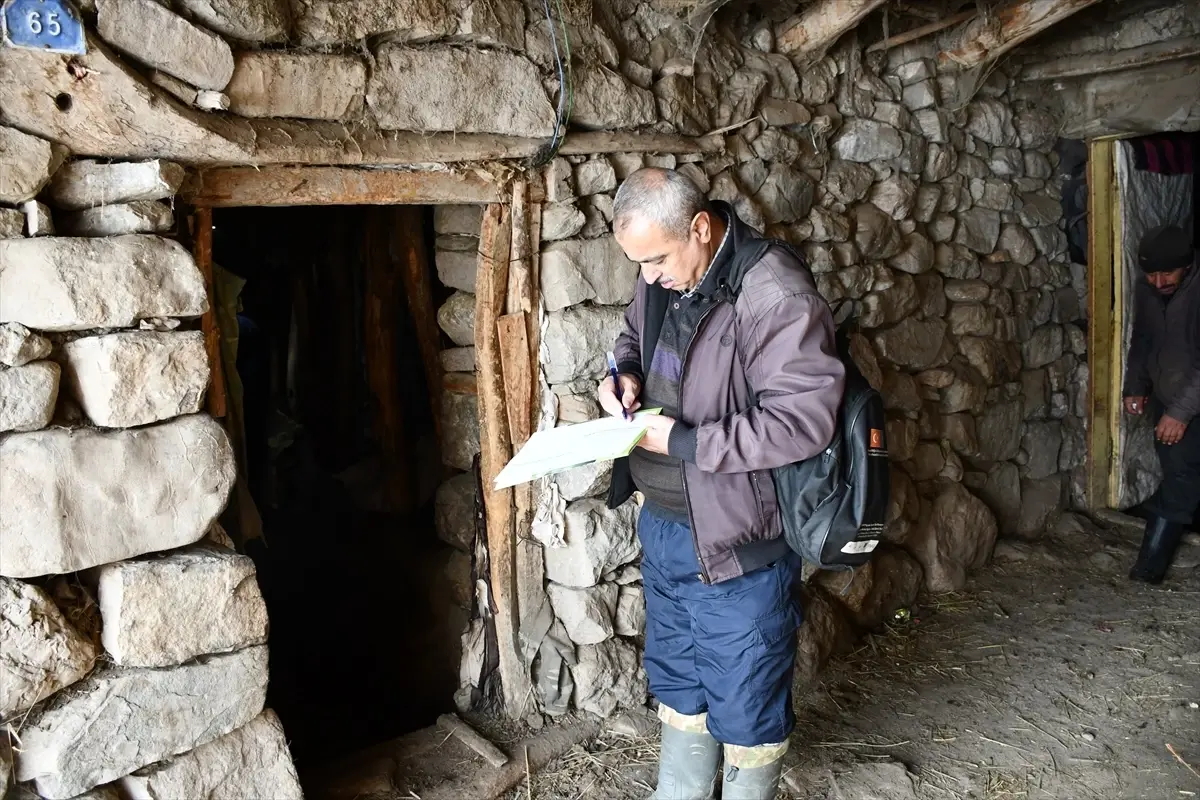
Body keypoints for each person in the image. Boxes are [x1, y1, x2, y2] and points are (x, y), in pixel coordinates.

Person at [597, 168, 845, 799]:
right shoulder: (662, 275)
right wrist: (624, 373)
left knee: (747, 693)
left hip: (739, 541)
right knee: (679, 678)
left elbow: (801, 423)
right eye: (638, 263)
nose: (648, 276)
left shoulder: (775, 294)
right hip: (667, 524)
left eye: (655, 259)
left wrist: (682, 441)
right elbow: (633, 335)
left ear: (700, 228)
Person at [1122, 224, 1199, 583]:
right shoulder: (1149, 289)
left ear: (1188, 264)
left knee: (1182, 480)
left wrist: (1180, 413)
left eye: (1167, 272)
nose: (1158, 281)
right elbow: (1143, 338)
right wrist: (1135, 385)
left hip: (1187, 403)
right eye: (1151, 273)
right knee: (1180, 473)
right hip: (1169, 399)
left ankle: (1149, 569)